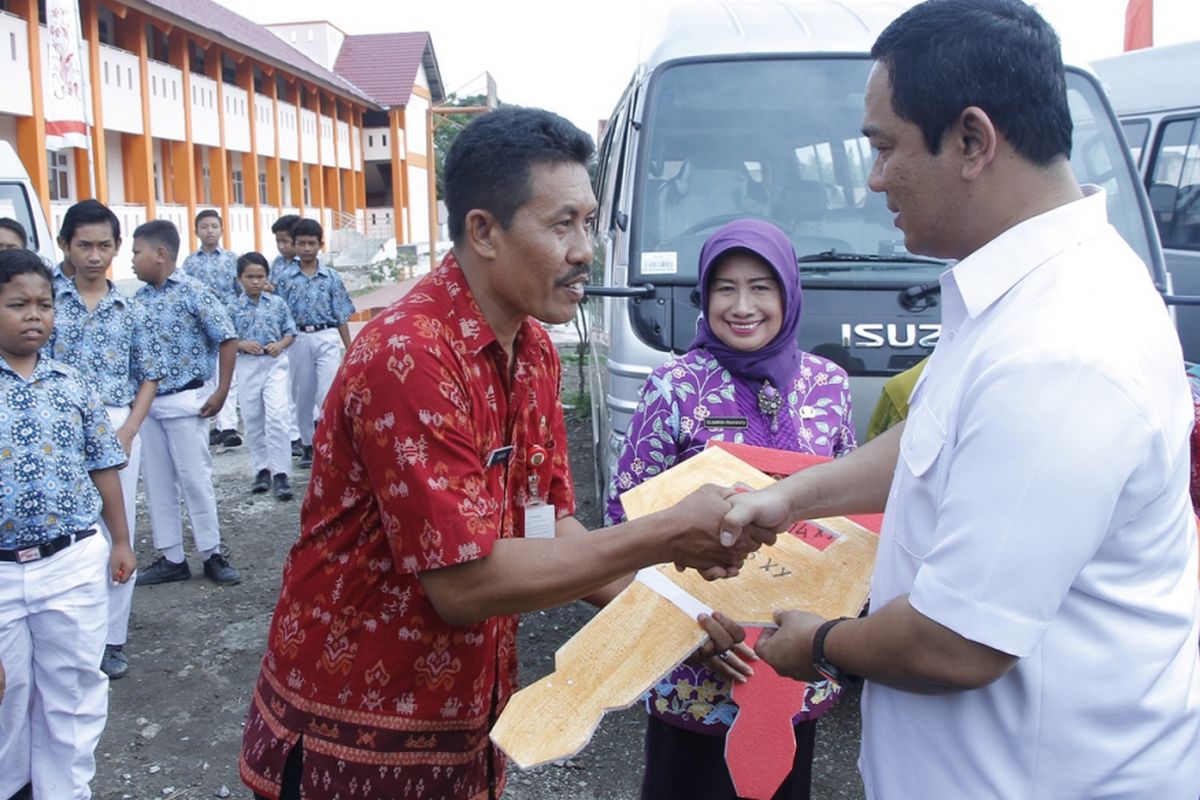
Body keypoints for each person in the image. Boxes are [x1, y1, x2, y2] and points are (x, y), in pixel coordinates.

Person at [719, 1, 1200, 797]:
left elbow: (956, 644)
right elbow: (935, 439)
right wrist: (791, 496)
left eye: (884, 147)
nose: (873, 179)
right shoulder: (1022, 293)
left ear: (973, 140)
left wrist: (822, 644)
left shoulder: (1062, 348)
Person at [239, 106, 756, 800]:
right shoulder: (410, 355)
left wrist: (672, 608)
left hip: (465, 721)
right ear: (483, 231)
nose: (584, 251)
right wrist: (662, 533)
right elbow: (465, 586)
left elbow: (547, 524)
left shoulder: (534, 348)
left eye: (589, 222)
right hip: (356, 729)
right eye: (561, 224)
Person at [604, 219, 854, 800]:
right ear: (704, 295)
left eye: (762, 287)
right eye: (725, 288)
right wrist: (693, 626)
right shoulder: (674, 386)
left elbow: (849, 518)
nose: (743, 306)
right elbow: (625, 524)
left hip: (793, 662)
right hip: (696, 663)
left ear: (789, 293)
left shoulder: (829, 386)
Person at [0, 248, 136, 800]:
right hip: (4, 575)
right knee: (9, 691)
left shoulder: (71, 383)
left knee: (73, 688)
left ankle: (64, 790)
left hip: (72, 560)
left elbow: (103, 464)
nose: (34, 314)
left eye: (44, 304)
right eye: (17, 304)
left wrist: (121, 539)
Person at [46, 199, 161, 680]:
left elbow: (149, 376)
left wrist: (129, 430)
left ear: (116, 247)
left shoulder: (130, 311)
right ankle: (69, 630)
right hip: (57, 426)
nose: (95, 256)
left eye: (105, 246)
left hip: (117, 425)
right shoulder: (47, 303)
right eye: (84, 245)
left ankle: (113, 637)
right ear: (65, 246)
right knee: (66, 529)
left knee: (118, 527)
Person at [131, 219, 242, 588]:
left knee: (195, 480)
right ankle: (172, 557)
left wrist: (222, 392)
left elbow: (227, 338)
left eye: (136, 252)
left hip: (186, 400)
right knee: (158, 483)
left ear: (160, 254)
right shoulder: (137, 302)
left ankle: (212, 553)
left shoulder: (194, 292)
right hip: (149, 404)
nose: (132, 260)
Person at [271, 218, 353, 469]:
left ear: (321, 245)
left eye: (312, 243)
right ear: (294, 245)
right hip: (298, 338)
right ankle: (307, 443)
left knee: (326, 392)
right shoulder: (285, 278)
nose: (307, 248)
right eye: (302, 243)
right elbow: (278, 313)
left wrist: (349, 348)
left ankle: (329, 441)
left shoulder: (331, 277)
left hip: (326, 336)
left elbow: (340, 314)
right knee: (302, 393)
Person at [231, 251, 297, 501]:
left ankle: (281, 472)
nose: (255, 282)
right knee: (253, 417)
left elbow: (290, 333)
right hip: (247, 364)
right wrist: (242, 344)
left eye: (260, 276)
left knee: (278, 415)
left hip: (274, 364)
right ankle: (262, 469)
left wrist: (280, 344)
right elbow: (226, 340)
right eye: (250, 277)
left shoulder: (277, 303)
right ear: (239, 278)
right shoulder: (232, 306)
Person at [182, 209, 241, 447]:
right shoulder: (189, 263)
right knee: (205, 377)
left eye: (214, 226)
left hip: (226, 326)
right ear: (196, 231)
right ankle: (210, 422)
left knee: (228, 376)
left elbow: (240, 292)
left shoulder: (231, 259)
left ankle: (228, 426)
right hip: (200, 330)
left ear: (221, 230)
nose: (209, 231)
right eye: (204, 227)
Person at [266, 214, 303, 457]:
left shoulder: (304, 264)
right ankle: (294, 436)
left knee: (303, 387)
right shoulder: (277, 264)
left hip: (301, 331)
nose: (281, 246)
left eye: (286, 241)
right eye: (278, 241)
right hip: (281, 334)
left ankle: (306, 431)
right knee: (288, 387)